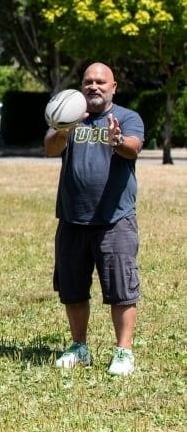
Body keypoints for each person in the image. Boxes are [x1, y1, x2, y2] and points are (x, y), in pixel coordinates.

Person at [44, 62, 144, 376]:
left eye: (101, 82)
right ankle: (79, 347)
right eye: (88, 81)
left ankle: (123, 352)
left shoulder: (127, 118)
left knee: (121, 288)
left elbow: (133, 148)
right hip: (73, 218)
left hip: (114, 219)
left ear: (113, 86)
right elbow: (50, 148)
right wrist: (63, 130)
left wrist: (117, 140)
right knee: (72, 288)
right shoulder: (68, 115)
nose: (94, 87)